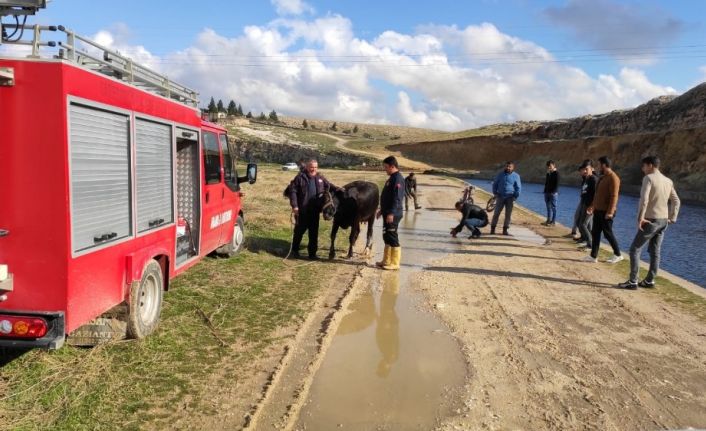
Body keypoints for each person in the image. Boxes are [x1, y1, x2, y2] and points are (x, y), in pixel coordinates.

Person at [618, 156, 680, 289]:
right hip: (663, 221)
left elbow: (644, 199)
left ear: (650, 165)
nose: (642, 168)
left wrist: (640, 218)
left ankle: (633, 281)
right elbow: (676, 201)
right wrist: (672, 217)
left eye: (644, 166)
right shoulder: (668, 181)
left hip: (650, 219)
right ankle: (649, 280)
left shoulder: (649, 178)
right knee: (655, 251)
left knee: (635, 249)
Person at [288, 159, 337, 260]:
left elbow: (329, 186)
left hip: (315, 211)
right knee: (299, 232)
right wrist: (295, 206)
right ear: (307, 167)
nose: (313, 169)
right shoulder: (300, 178)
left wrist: (338, 189)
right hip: (302, 211)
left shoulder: (320, 178)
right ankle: (294, 251)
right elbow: (292, 191)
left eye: (315, 167)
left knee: (314, 233)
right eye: (311, 167)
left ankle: (312, 254)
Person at [583, 156, 622, 263]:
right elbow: (598, 194)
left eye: (599, 164)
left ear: (604, 165)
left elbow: (614, 196)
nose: (598, 167)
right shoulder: (603, 177)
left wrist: (610, 212)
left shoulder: (614, 178)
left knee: (608, 233)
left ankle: (618, 254)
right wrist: (592, 206)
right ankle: (593, 256)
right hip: (598, 210)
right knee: (595, 233)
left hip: (606, 211)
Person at [376, 156, 405, 270]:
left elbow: (397, 198)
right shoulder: (391, 178)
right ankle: (386, 260)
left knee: (392, 236)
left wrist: (391, 213)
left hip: (394, 214)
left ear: (392, 166)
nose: (385, 169)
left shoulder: (397, 179)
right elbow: (387, 197)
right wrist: (382, 210)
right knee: (386, 236)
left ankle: (395, 263)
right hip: (387, 212)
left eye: (386, 167)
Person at [490, 161, 521, 235]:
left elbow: (518, 187)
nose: (508, 168)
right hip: (500, 196)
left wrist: (515, 196)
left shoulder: (516, 176)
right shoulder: (500, 175)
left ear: (513, 167)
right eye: (507, 166)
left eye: (510, 167)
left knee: (508, 215)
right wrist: (495, 193)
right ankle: (492, 229)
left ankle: (505, 230)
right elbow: (495, 184)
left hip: (510, 197)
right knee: (496, 213)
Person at [576, 160, 598, 250]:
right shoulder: (587, 179)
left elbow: (596, 194)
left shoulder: (593, 179)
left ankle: (590, 244)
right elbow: (585, 192)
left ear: (592, 169)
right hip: (585, 204)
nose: (585, 171)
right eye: (584, 169)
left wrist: (592, 206)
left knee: (584, 224)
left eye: (587, 169)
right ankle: (587, 241)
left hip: (591, 206)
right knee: (586, 225)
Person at [542, 160, 560, 226]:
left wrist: (554, 192)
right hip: (547, 192)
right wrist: (544, 191)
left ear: (554, 165)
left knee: (553, 207)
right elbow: (546, 183)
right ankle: (548, 220)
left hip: (553, 193)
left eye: (550, 166)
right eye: (548, 166)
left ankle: (553, 221)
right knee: (548, 207)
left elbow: (557, 184)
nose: (549, 167)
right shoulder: (549, 173)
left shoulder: (557, 173)